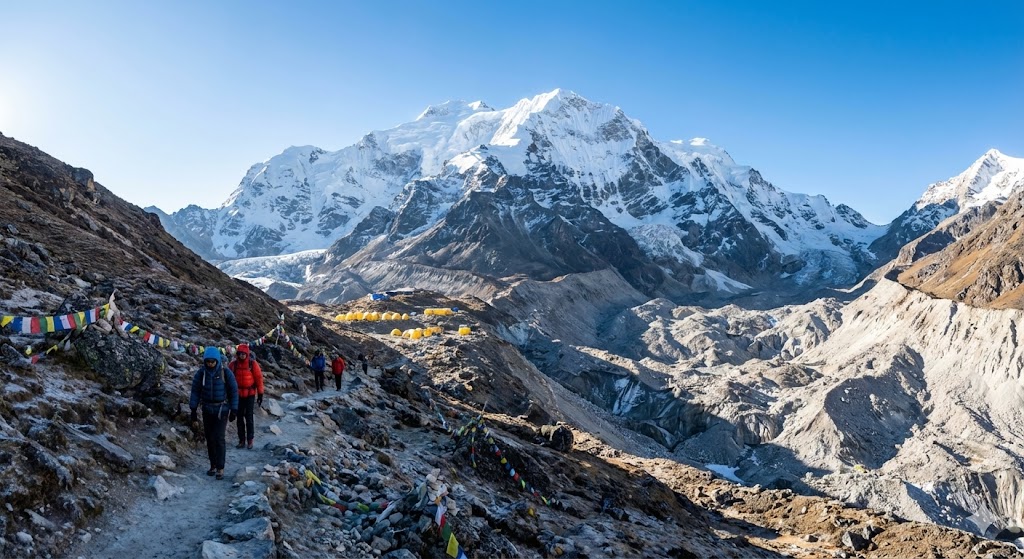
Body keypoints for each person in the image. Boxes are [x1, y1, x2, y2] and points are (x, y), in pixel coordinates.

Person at [189, 347, 238, 480]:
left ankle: (220, 468)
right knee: (210, 438)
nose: (210, 364)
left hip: (221, 410)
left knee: (219, 438)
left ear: (217, 360)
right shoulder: (201, 373)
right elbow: (195, 391)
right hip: (207, 409)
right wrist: (193, 409)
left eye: (213, 361)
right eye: (208, 362)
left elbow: (233, 391)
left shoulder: (225, 373)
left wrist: (234, 409)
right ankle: (213, 465)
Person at [227, 343, 264, 449]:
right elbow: (228, 380)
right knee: (239, 418)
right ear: (237, 354)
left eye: (244, 354)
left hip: (250, 394)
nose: (242, 356)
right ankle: (241, 440)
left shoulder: (253, 364)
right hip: (238, 395)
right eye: (240, 354)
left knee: (249, 417)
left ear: (247, 354)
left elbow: (259, 379)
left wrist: (260, 394)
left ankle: (250, 440)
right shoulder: (233, 365)